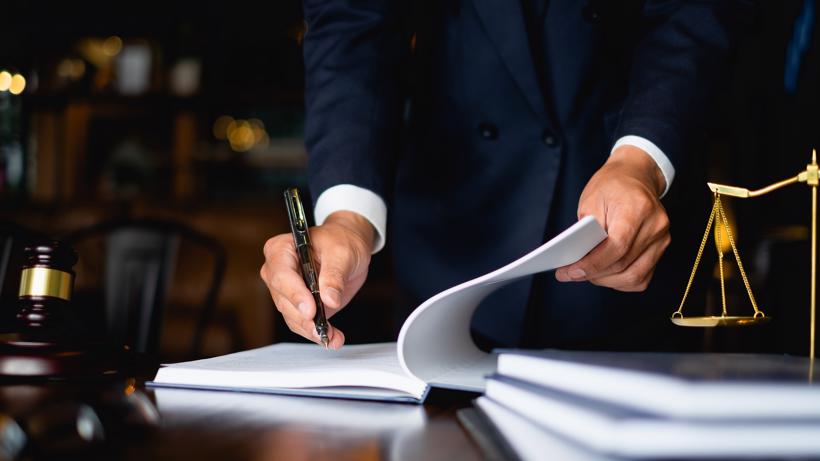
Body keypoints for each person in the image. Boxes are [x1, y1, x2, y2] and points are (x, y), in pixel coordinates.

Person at [261, 0, 746, 350]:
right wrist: (348, 219)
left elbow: (692, 13)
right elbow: (352, 24)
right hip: (451, 251)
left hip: (626, 237)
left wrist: (640, 160)